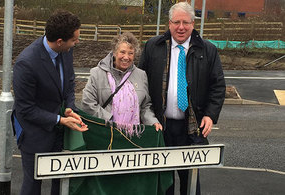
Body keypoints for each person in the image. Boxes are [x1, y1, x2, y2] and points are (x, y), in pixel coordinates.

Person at [139, 2, 226, 195]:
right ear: (169, 23)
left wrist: (210, 115)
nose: (181, 27)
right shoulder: (153, 47)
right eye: (176, 22)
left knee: (191, 183)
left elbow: (218, 86)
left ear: (193, 24)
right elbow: (140, 83)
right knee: (163, 182)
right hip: (160, 127)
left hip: (191, 128)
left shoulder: (208, 50)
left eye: (185, 22)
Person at [12, 10, 88, 195]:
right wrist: (60, 120)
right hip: (34, 134)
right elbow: (26, 109)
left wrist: (69, 107)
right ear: (60, 41)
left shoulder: (65, 50)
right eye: (74, 40)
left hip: (59, 132)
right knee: (33, 185)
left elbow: (69, 82)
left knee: (61, 182)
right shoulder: (26, 63)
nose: (77, 42)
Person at [82, 32, 162, 137]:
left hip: (133, 135)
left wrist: (152, 121)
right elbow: (88, 103)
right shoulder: (97, 73)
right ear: (114, 53)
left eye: (130, 53)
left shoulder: (141, 75)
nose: (126, 57)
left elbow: (145, 106)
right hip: (104, 133)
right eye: (122, 52)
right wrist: (110, 120)